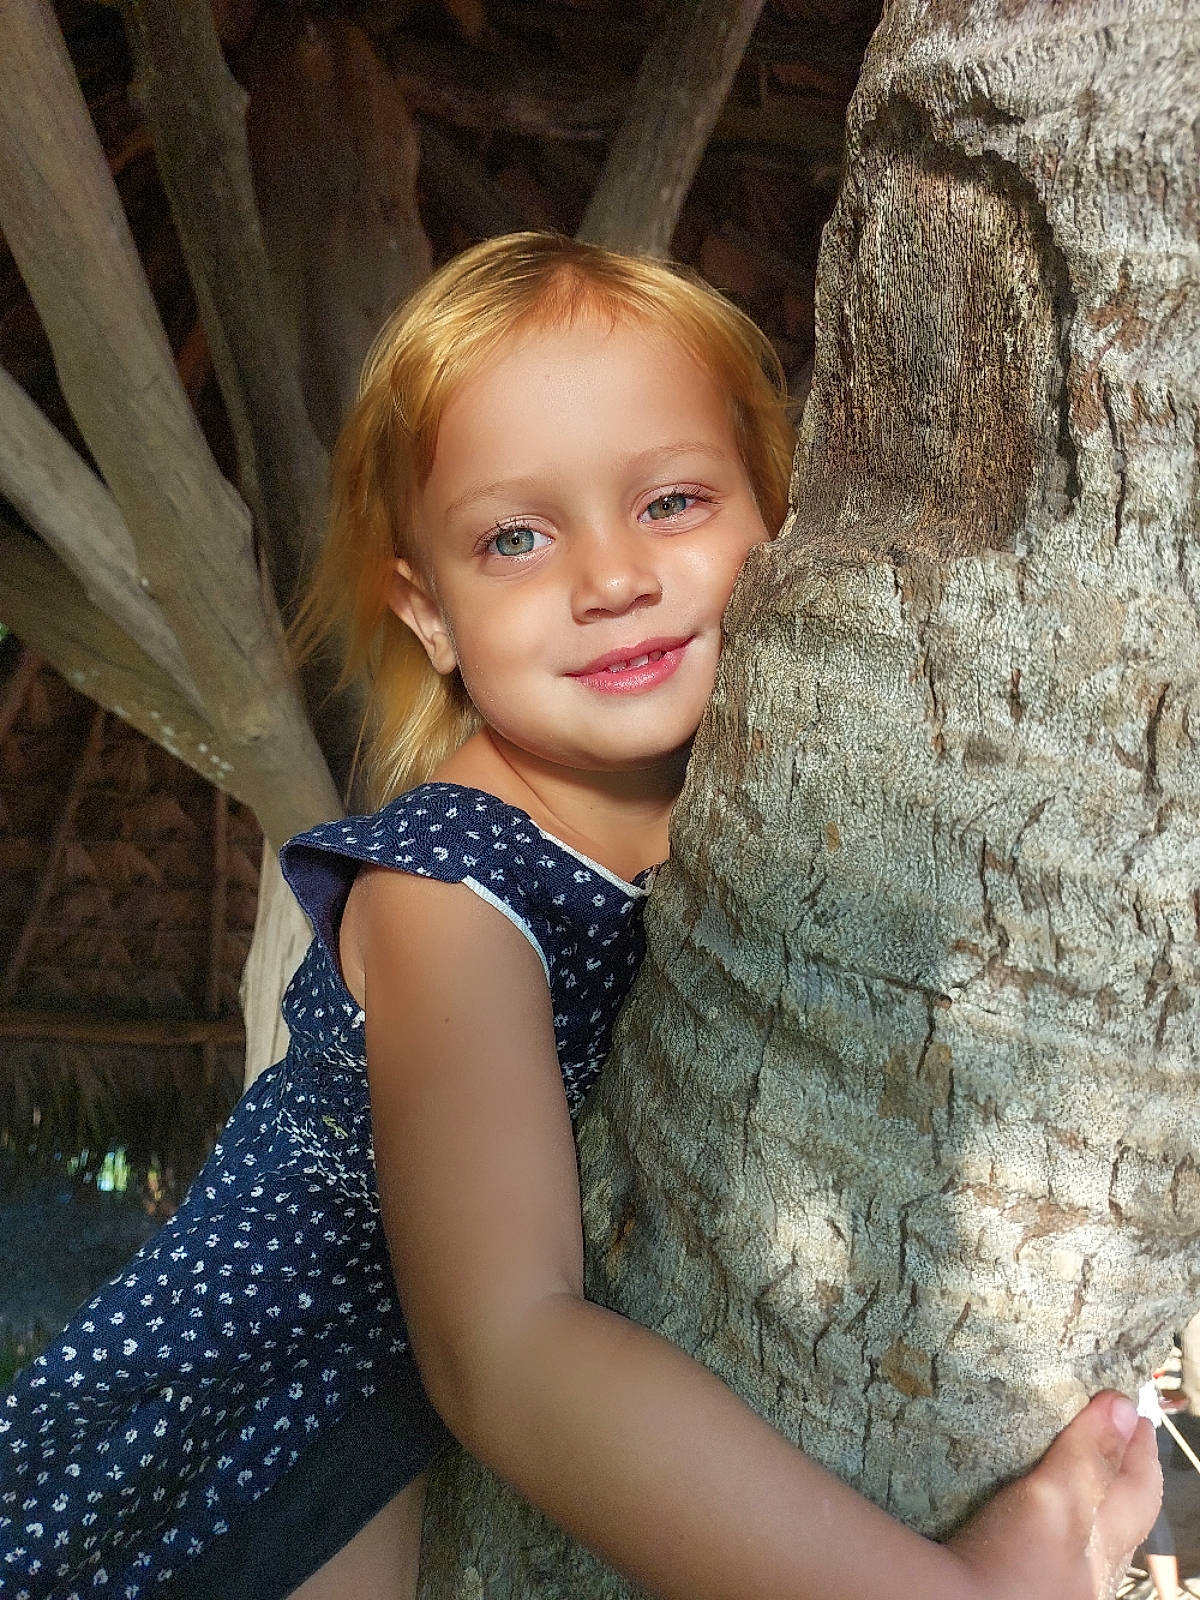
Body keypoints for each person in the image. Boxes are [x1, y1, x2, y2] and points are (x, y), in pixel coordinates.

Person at [0, 233, 1159, 1600]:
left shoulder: (768, 849)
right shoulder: (451, 890)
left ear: (778, 518)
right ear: (428, 614)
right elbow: (505, 1350)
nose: (610, 576)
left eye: (671, 500)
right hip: (258, 1460)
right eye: (516, 536)